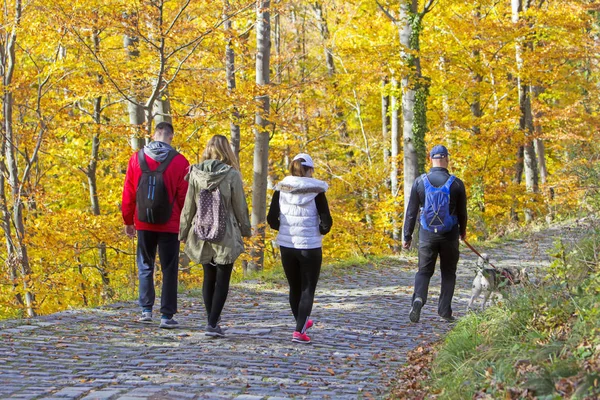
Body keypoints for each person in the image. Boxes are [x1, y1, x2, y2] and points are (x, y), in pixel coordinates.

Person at [179, 135, 251, 338]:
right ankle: (212, 323)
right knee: (223, 278)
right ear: (226, 151)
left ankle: (211, 321)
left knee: (208, 277)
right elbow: (240, 207)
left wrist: (183, 232)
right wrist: (245, 230)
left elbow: (188, 207)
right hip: (225, 232)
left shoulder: (194, 173)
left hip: (201, 232)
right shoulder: (232, 175)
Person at [122, 122, 190, 329]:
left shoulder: (137, 158)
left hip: (143, 222)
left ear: (153, 134)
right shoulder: (180, 161)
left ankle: (145, 311)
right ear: (171, 136)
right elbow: (184, 197)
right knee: (169, 269)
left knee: (145, 265)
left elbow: (129, 192)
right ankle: (167, 316)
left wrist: (128, 220)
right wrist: (185, 224)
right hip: (170, 224)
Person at [267, 153, 333, 344]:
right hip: (310, 246)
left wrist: (285, 229)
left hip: (287, 246)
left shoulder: (281, 189)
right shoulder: (317, 191)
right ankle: (299, 331)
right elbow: (326, 221)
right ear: (309, 170)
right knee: (307, 289)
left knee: (294, 287)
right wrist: (321, 229)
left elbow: (272, 219)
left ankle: (301, 322)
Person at [402, 145, 467, 323]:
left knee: (423, 271)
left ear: (430, 159)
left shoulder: (420, 182)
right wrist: (463, 232)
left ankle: (418, 299)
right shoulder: (456, 183)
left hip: (427, 235)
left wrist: (407, 236)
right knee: (448, 272)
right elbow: (462, 213)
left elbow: (411, 212)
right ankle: (445, 311)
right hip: (449, 235)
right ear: (446, 159)